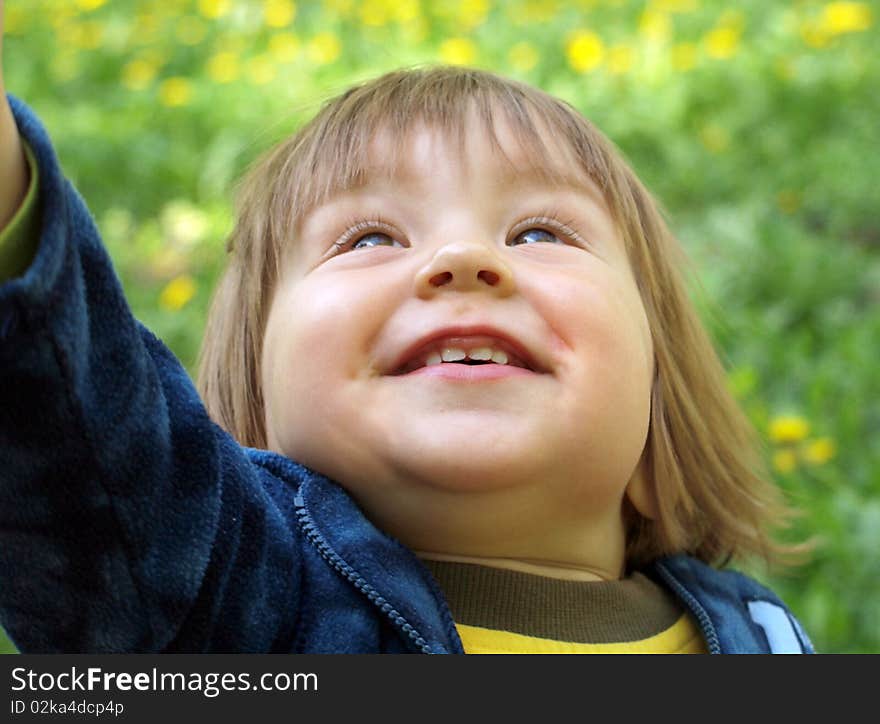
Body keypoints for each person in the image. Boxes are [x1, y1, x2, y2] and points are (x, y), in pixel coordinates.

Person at [0, 14, 812, 654]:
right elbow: (71, 426)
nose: (462, 258)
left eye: (538, 234)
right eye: (370, 239)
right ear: (253, 414)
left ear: (656, 393)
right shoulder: (234, 616)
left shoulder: (765, 640)